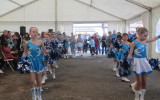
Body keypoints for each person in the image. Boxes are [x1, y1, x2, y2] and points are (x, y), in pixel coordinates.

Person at [128, 27, 160, 100]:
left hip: (144, 61)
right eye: (144, 35)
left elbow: (154, 39)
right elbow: (130, 53)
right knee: (139, 81)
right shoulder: (133, 43)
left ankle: (142, 96)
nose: (146, 37)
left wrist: (159, 36)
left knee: (144, 81)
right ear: (139, 34)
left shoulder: (145, 41)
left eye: (146, 36)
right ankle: (136, 97)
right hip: (137, 62)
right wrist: (128, 59)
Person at [22, 27, 48, 100]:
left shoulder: (40, 42)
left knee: (39, 80)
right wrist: (23, 58)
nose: (35, 33)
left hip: (39, 62)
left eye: (36, 32)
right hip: (31, 63)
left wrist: (47, 54)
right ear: (30, 33)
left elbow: (45, 51)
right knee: (32, 81)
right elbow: (25, 51)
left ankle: (39, 95)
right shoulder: (27, 42)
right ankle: (33, 96)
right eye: (33, 31)